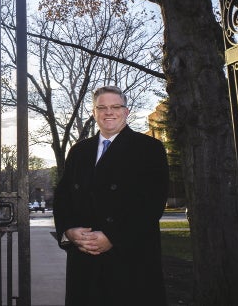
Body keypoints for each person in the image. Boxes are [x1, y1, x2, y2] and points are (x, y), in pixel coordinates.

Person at [53, 85, 169, 306]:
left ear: (126, 111)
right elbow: (63, 196)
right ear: (94, 112)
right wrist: (69, 230)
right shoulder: (79, 151)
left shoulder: (149, 149)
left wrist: (112, 236)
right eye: (102, 107)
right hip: (84, 259)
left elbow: (152, 204)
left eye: (115, 106)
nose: (109, 112)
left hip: (130, 259)